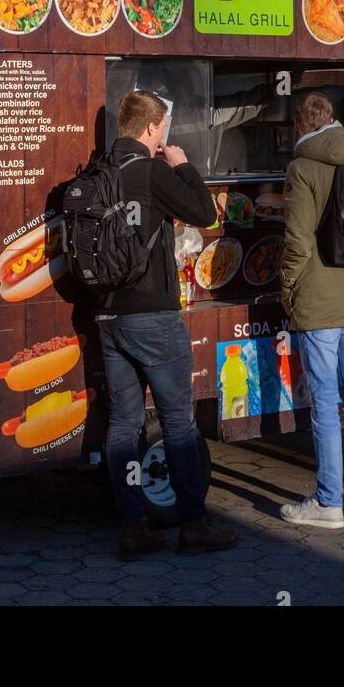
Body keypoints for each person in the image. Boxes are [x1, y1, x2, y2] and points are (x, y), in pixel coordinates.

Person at [97, 89, 239, 560]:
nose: (165, 138)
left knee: (124, 424)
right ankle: (194, 524)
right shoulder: (153, 169)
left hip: (108, 313)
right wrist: (183, 165)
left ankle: (132, 526)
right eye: (164, 132)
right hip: (152, 313)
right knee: (179, 419)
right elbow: (203, 212)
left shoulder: (101, 170)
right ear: (154, 129)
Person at [277, 92, 344, 530]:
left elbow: (297, 239)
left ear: (300, 126)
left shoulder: (301, 168)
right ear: (332, 119)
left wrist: (286, 286)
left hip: (318, 299)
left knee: (324, 402)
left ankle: (328, 502)